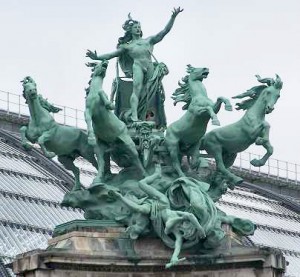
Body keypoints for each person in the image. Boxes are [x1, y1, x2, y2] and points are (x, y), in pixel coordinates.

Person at [86, 7, 183, 121]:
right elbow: (111, 55)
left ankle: (141, 113)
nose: (137, 29)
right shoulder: (127, 46)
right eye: (135, 27)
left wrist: (173, 17)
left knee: (149, 92)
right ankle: (134, 116)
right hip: (138, 66)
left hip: (149, 66)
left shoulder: (149, 40)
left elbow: (164, 31)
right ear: (130, 30)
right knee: (136, 90)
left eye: (139, 27)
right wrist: (97, 57)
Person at [110, 164, 205, 268]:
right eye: (185, 225)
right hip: (163, 203)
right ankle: (156, 175)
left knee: (140, 207)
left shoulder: (175, 227)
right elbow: (189, 216)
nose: (181, 227)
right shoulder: (179, 218)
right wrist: (200, 229)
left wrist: (174, 257)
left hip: (156, 212)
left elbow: (178, 242)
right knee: (141, 184)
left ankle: (120, 197)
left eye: (182, 231)